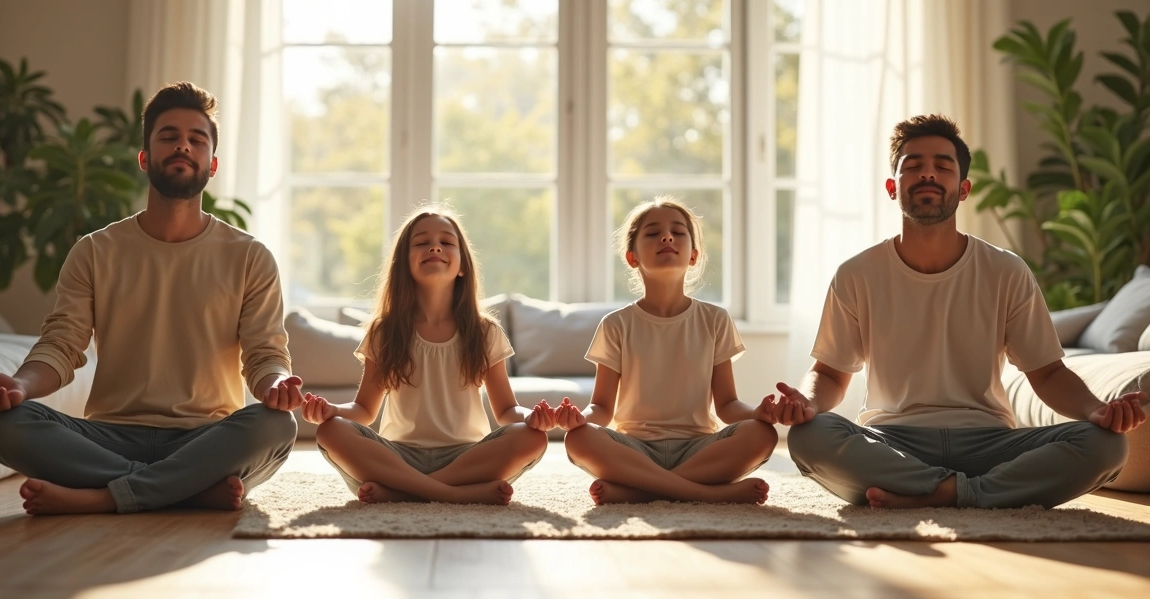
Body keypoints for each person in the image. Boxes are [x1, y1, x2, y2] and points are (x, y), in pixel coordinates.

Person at [771, 114, 1145, 509]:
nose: (927, 174)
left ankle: (933, 495)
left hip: (989, 440)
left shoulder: (1006, 270)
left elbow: (1048, 372)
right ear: (892, 187)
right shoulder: (857, 274)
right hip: (893, 441)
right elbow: (829, 374)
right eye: (912, 166)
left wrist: (1097, 409)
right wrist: (807, 403)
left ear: (963, 189)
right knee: (810, 435)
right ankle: (977, 494)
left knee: (1106, 445)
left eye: (942, 166)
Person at [0, 82, 302, 515]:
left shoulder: (250, 256)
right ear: (145, 159)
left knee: (276, 424)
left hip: (206, 436)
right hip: (110, 434)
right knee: (2, 425)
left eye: (196, 139)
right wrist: (18, 386)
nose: (182, 146)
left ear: (212, 163)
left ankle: (102, 496)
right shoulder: (94, 250)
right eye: (168, 136)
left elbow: (264, 355)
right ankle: (185, 491)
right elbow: (61, 346)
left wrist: (277, 385)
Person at [301, 205, 549, 505]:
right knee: (332, 432)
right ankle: (451, 494)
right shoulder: (384, 331)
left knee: (531, 437)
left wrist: (533, 417)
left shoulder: (486, 331)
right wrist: (331, 411)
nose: (435, 246)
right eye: (421, 242)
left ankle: (402, 493)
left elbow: (507, 412)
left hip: (466, 456)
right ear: (403, 264)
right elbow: (364, 411)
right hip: (398, 457)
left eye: (446, 242)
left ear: (462, 266)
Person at [555, 196, 779, 505]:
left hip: (699, 447)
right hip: (635, 448)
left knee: (763, 434)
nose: (667, 237)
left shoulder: (715, 319)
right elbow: (602, 409)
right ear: (632, 257)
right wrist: (579, 417)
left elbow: (727, 404)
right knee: (579, 439)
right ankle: (704, 493)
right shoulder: (616, 324)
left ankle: (641, 492)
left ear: (693, 256)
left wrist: (759, 414)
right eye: (652, 233)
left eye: (678, 231)